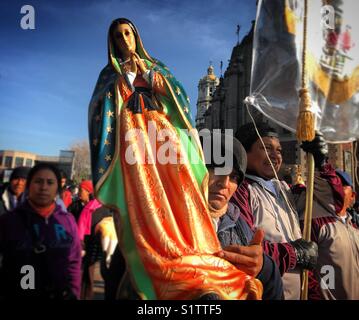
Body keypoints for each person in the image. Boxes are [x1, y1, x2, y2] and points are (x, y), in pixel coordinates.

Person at [88, 18, 262, 300]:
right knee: (145, 189)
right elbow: (101, 107)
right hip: (133, 136)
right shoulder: (110, 76)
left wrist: (154, 78)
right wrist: (120, 86)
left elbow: (177, 96)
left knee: (172, 173)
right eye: (118, 36)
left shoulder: (155, 68)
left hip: (162, 131)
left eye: (128, 34)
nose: (125, 40)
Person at [232, 122, 320, 299]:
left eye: (278, 150)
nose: (275, 156)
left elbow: (331, 203)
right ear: (244, 153)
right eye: (266, 148)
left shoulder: (284, 189)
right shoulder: (239, 189)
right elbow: (244, 249)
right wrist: (294, 253)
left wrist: (321, 162)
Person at [204, 132, 284, 300]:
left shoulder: (238, 224)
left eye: (233, 177)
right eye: (218, 168)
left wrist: (265, 268)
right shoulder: (170, 218)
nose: (224, 183)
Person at [0, 163, 81, 299]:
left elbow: (74, 261)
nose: (44, 187)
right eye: (38, 181)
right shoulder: (9, 221)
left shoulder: (68, 221)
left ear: (57, 188)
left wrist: (74, 292)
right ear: (29, 185)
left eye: (50, 183)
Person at [298, 169, 359, 299]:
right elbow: (311, 269)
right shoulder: (316, 223)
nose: (334, 188)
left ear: (353, 196)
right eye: (330, 184)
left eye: (341, 184)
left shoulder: (355, 228)